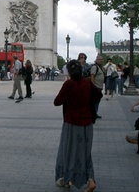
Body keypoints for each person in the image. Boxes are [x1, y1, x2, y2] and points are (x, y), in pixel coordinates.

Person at [54, 59, 101, 191]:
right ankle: (90, 179)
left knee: (69, 151)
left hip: (72, 123)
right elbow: (98, 95)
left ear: (69, 72)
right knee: (85, 152)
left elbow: (57, 102)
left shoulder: (69, 84)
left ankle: (67, 178)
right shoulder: (87, 83)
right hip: (87, 124)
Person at [88, 55, 104, 119]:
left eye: (102, 59)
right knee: (95, 101)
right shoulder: (95, 67)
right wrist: (93, 86)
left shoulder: (100, 67)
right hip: (96, 87)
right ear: (97, 60)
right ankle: (93, 113)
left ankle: (95, 112)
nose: (101, 61)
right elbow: (92, 76)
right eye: (100, 59)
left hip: (99, 87)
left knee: (97, 101)